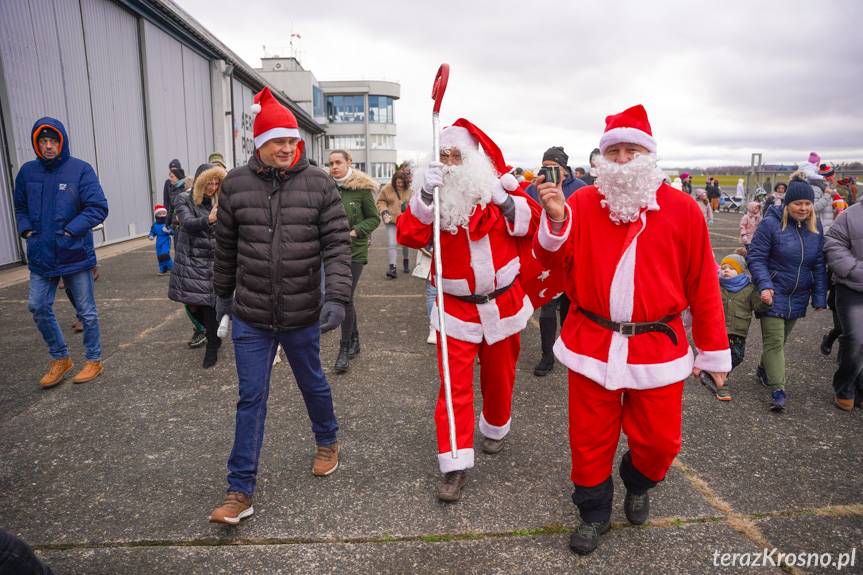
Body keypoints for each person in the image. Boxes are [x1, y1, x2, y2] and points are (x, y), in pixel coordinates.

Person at [532, 104, 730, 555]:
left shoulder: (683, 210)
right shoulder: (580, 202)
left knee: (661, 443)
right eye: (614, 151)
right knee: (588, 439)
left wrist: (714, 350)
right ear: (602, 158)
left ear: (649, 155)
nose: (622, 159)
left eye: (631, 150)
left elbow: (703, 283)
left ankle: (638, 480)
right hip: (592, 341)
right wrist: (557, 220)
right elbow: (550, 264)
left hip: (656, 346)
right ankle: (593, 512)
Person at [209, 87, 351, 525]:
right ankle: (239, 490)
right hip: (251, 312)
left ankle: (327, 440)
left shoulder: (319, 183)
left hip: (303, 311)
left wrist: (338, 297)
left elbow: (337, 246)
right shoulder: (234, 184)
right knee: (251, 397)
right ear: (259, 143)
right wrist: (220, 295)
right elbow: (226, 246)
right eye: (278, 141)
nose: (288, 148)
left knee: (313, 383)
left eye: (292, 140)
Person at [397, 118, 537, 503]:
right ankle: (454, 464)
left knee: (500, 377)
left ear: (474, 158)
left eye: (457, 154)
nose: (450, 162)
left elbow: (534, 226)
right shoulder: (435, 199)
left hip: (503, 304)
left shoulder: (505, 190)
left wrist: (502, 198)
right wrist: (424, 196)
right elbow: (409, 235)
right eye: (443, 156)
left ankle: (494, 428)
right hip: (456, 310)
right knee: (453, 388)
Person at [13, 117, 109, 388]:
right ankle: (60, 358)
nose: (48, 146)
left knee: (86, 311)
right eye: (43, 141)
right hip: (41, 254)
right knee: (38, 306)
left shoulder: (80, 170)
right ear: (37, 144)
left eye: (53, 141)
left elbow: (97, 207)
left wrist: (70, 231)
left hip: (74, 253)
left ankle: (94, 360)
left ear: (61, 141)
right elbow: (19, 207)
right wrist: (27, 231)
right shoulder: (27, 172)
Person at [747, 176, 827, 412]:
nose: (803, 208)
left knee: (780, 341)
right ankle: (778, 389)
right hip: (773, 292)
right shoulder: (771, 224)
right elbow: (756, 257)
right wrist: (764, 285)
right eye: (798, 203)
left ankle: (764, 370)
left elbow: (819, 264)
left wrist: (820, 297)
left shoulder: (816, 227)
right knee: (774, 343)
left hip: (799, 295)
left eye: (807, 204)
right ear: (787, 204)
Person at [525, 146, 584, 376]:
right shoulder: (534, 188)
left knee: (570, 310)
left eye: (554, 167)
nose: (549, 171)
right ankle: (547, 356)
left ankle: (571, 350)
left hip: (572, 260)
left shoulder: (580, 190)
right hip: (546, 261)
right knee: (547, 311)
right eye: (545, 166)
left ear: (564, 169)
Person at [168, 163, 226, 368]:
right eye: (208, 182)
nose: (212, 187)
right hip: (192, 257)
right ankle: (213, 334)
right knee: (193, 305)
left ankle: (212, 344)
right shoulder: (184, 199)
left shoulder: (222, 199)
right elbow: (187, 222)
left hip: (215, 258)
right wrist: (208, 219)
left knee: (209, 303)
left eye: (216, 182)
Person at [329, 149, 381, 373]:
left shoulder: (361, 190)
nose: (334, 167)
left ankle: (344, 350)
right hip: (331, 251)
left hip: (354, 251)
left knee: (344, 297)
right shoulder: (326, 188)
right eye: (330, 163)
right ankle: (355, 338)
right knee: (345, 297)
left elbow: (374, 218)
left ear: (349, 162)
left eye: (338, 162)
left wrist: (356, 231)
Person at [823, 199, 863, 411]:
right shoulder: (850, 215)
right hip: (851, 287)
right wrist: (855, 270)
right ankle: (845, 388)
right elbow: (833, 245)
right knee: (856, 338)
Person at [716, 254, 768, 400]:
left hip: (738, 330)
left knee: (737, 356)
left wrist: (766, 302)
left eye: (732, 268)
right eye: (724, 267)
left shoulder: (749, 288)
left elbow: (758, 307)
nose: (726, 270)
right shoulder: (716, 286)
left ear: (741, 271)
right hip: (719, 329)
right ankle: (721, 384)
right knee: (720, 357)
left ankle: (716, 373)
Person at [377, 170, 413, 279]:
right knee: (392, 243)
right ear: (394, 181)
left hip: (404, 220)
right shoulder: (387, 189)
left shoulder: (410, 190)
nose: (400, 185)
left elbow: (415, 205)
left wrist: (406, 206)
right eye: (398, 183)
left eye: (402, 183)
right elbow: (380, 201)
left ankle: (406, 260)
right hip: (391, 220)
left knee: (405, 243)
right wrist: (384, 212)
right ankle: (392, 268)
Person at [148, 204, 173, 275]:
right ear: (156, 215)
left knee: (164, 254)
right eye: (160, 214)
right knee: (160, 256)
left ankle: (172, 268)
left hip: (166, 241)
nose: (162, 215)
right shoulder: (155, 225)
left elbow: (173, 232)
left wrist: (169, 231)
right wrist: (151, 236)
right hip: (158, 242)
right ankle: (163, 269)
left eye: (163, 213)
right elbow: (152, 232)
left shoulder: (167, 224)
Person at [162, 159, 182, 228]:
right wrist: (166, 214)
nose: (173, 171)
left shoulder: (184, 182)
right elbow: (166, 200)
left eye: (175, 169)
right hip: (171, 212)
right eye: (171, 169)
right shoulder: (167, 182)